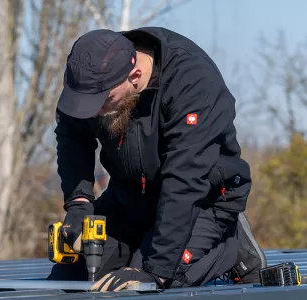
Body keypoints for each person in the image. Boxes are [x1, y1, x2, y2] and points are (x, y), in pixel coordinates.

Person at [47, 27, 267, 292]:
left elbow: (184, 181)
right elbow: (72, 133)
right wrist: (79, 203)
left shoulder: (193, 81)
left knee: (145, 287)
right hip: (130, 196)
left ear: (135, 77)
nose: (94, 111)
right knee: (70, 282)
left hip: (202, 200)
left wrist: (157, 270)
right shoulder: (93, 69)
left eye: (102, 102)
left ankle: (230, 246)